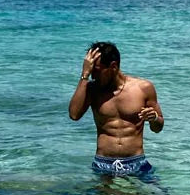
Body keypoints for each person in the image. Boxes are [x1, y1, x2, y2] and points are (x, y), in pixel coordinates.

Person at [68, 41, 164, 178]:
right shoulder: (91, 90)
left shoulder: (143, 88)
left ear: (113, 66)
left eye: (96, 71)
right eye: (91, 71)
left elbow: (158, 127)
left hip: (136, 163)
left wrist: (154, 117)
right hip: (103, 165)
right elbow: (74, 114)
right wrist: (84, 75)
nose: (93, 76)